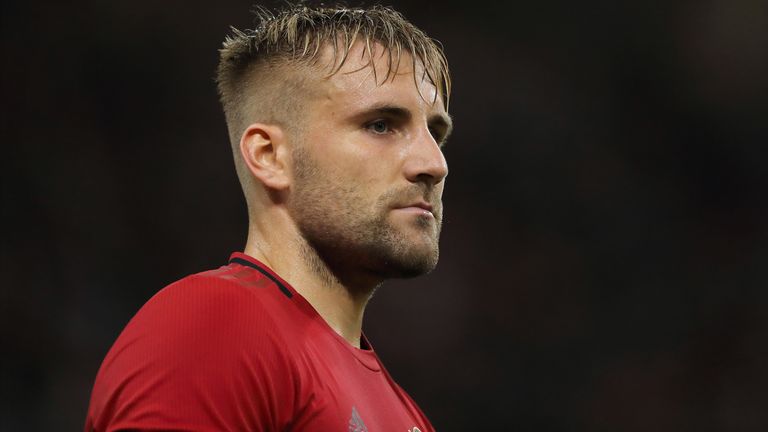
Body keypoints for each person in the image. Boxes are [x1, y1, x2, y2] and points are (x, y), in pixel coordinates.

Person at [85, 4, 452, 431]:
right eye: (380, 125)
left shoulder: (408, 415)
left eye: (436, 133)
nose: (434, 162)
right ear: (270, 156)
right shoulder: (216, 327)